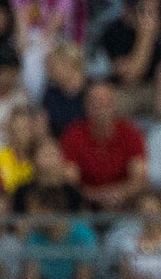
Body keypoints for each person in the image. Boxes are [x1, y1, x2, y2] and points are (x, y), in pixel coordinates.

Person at [59, 80, 148, 213]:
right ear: (86, 106)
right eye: (94, 102)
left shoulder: (130, 133)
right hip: (84, 208)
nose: (100, 108)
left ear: (114, 105)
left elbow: (140, 177)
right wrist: (97, 196)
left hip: (125, 206)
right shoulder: (73, 135)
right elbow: (70, 181)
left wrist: (120, 193)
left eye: (105, 102)